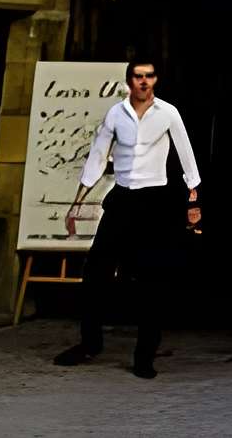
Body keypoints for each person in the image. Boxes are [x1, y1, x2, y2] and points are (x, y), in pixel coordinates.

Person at [54, 57, 201, 380]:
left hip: (155, 202)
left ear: (155, 80)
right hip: (121, 199)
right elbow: (97, 156)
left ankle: (144, 356)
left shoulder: (168, 113)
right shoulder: (115, 114)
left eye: (149, 76)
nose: (144, 82)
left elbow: (186, 155)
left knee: (151, 279)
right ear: (129, 80)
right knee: (95, 273)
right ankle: (89, 343)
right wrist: (77, 202)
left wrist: (194, 198)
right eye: (138, 76)